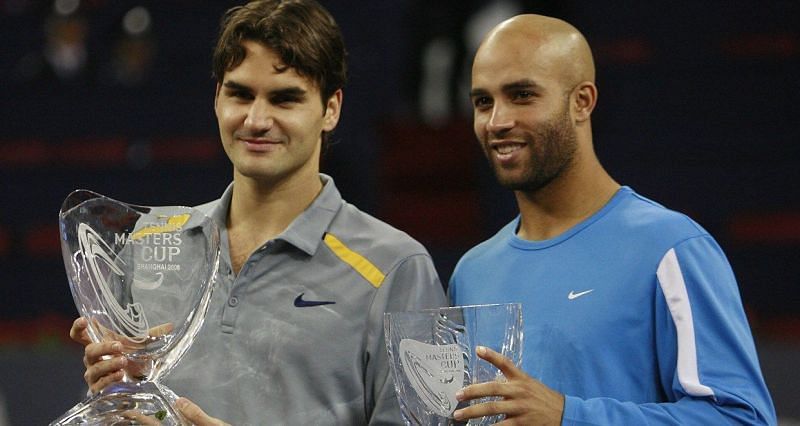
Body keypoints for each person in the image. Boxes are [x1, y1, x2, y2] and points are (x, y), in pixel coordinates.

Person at [69, 1, 446, 424]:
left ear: (331, 109)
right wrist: (113, 388)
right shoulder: (149, 244)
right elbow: (118, 405)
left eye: (285, 99)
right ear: (217, 98)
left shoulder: (396, 269)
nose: (257, 119)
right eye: (241, 94)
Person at [448, 14, 776, 425]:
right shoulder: (472, 272)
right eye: (483, 101)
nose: (497, 121)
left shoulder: (670, 249)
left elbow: (742, 419)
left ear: (582, 101)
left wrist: (569, 417)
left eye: (523, 95)